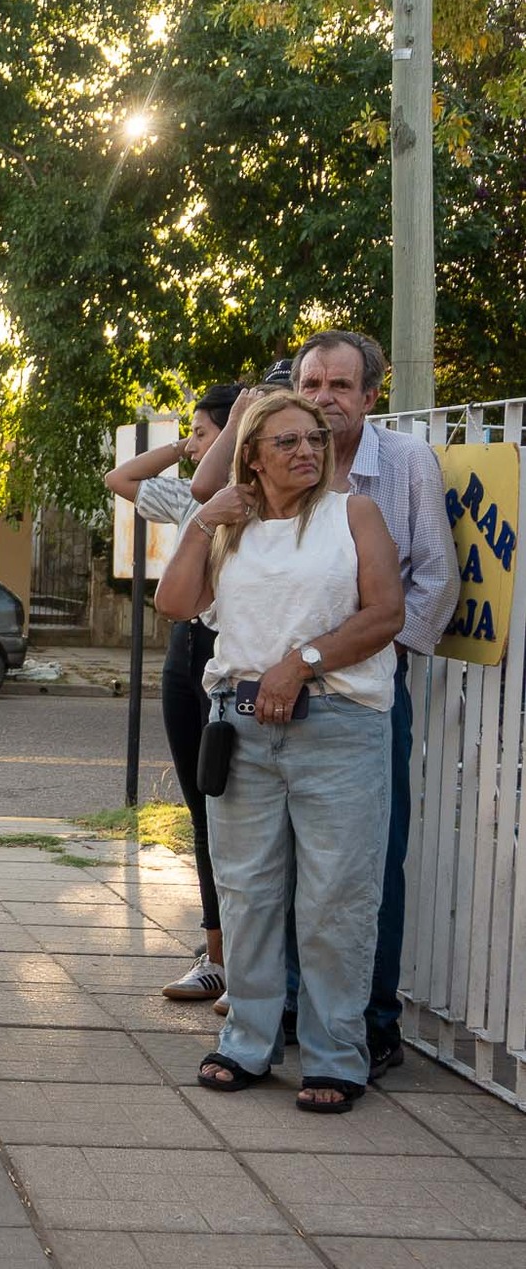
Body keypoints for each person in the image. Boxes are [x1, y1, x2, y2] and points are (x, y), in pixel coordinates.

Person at [193, 333, 456, 1077]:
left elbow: (428, 584)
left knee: (354, 877)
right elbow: (194, 573)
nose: (323, 401)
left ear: (370, 395)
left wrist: (349, 660)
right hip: (253, 715)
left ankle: (364, 1029)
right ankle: (272, 1020)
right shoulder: (246, 503)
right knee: (256, 883)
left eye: (340, 386)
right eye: (311, 385)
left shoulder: (398, 469)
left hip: (355, 700)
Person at [159, 390, 403, 1113]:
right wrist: (204, 521)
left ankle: (336, 1056)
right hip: (240, 726)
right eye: (288, 441)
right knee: (247, 894)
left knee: (335, 899)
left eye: (315, 440)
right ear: (253, 459)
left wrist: (302, 661)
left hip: (337, 724)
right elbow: (175, 603)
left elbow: (385, 612)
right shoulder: (229, 527)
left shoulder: (353, 515)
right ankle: (247, 1043)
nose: (307, 451)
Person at [103, 383, 242, 1007]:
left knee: (240, 811)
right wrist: (184, 446)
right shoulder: (192, 497)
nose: (193, 443)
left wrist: (226, 434)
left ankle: (251, 961)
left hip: (230, 648)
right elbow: (121, 478)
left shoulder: (254, 499)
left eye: (203, 432)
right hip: (186, 645)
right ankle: (216, 956)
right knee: (202, 805)